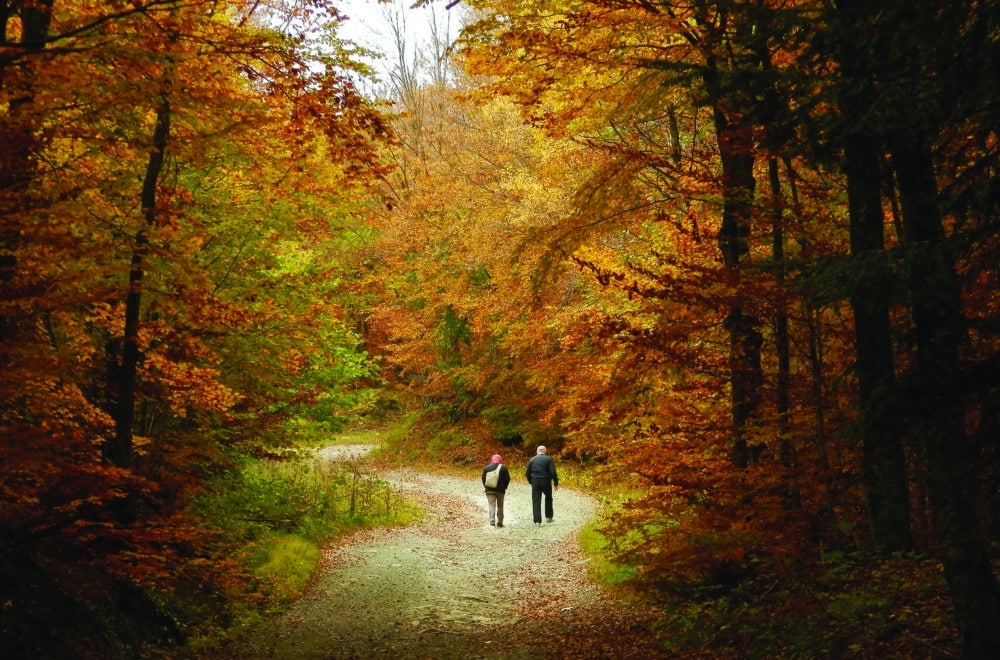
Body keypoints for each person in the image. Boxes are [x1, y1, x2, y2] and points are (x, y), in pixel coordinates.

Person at [525, 445, 558, 526]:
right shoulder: (548, 459)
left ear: (537, 451)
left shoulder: (532, 460)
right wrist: (555, 482)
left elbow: (527, 473)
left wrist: (531, 481)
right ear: (545, 452)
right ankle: (549, 517)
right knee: (548, 498)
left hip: (535, 482)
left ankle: (537, 521)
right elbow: (552, 472)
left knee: (536, 501)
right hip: (546, 482)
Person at [481, 454, 511, 527]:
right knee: (500, 505)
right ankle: (500, 521)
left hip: (489, 490)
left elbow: (483, 479)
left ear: (492, 460)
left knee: (491, 504)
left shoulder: (486, 468)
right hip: (500, 490)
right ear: (500, 460)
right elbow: (508, 479)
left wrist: (486, 486)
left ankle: (492, 520)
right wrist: (505, 487)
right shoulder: (503, 468)